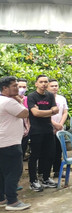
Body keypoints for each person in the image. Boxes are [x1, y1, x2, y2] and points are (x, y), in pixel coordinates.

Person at [0, 76, 31, 210]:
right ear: (5, 88)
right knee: (14, 172)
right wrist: (19, 101)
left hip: (3, 142)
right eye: (14, 86)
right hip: (10, 143)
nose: (18, 88)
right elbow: (25, 113)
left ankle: (1, 199)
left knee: (2, 173)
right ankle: (12, 201)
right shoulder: (9, 102)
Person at [26, 75, 58, 192]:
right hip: (36, 131)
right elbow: (35, 113)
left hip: (48, 130)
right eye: (41, 82)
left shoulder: (50, 95)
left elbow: (57, 110)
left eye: (46, 82)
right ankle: (33, 180)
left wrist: (43, 111)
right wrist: (50, 112)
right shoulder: (32, 96)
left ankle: (45, 178)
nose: (44, 84)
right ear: (36, 84)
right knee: (35, 156)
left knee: (49, 154)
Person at [48, 79, 68, 179]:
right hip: (49, 129)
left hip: (59, 130)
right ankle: (45, 173)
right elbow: (44, 113)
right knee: (48, 152)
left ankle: (57, 171)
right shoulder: (46, 98)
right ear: (47, 87)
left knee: (58, 151)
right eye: (52, 86)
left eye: (56, 85)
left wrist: (60, 124)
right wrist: (54, 124)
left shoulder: (62, 99)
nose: (55, 87)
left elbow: (65, 112)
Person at [16, 79, 29, 162]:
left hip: (25, 130)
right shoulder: (10, 100)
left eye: (24, 87)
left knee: (22, 151)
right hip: (14, 131)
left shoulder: (28, 99)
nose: (22, 89)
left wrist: (28, 128)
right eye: (19, 87)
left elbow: (29, 115)